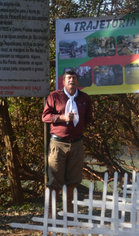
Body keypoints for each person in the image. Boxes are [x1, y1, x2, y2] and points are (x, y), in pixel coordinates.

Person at [42, 70, 93, 215]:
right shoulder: (54, 96)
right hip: (58, 144)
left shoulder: (84, 98)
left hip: (77, 143)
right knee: (54, 179)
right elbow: (45, 117)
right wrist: (63, 118)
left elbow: (88, 118)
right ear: (63, 82)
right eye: (69, 78)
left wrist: (77, 128)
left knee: (73, 179)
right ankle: (51, 213)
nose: (72, 80)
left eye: (74, 78)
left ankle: (69, 212)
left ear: (77, 82)